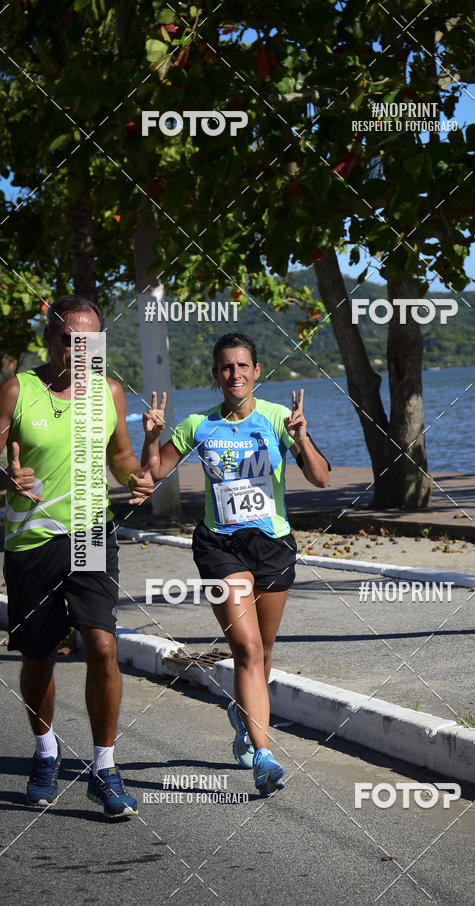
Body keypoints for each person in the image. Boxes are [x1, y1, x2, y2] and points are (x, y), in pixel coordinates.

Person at [141, 332, 330, 795]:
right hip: (219, 547)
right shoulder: (196, 425)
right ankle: (265, 757)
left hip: (272, 546)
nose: (235, 374)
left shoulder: (279, 419)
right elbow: (150, 476)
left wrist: (301, 439)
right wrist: (150, 439)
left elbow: (322, 478)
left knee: (261, 655)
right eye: (226, 367)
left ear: (256, 371)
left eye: (243, 366)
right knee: (245, 650)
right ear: (215, 375)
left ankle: (245, 715)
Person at [0, 296, 155, 818]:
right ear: (50, 340)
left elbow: (121, 457)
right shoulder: (17, 390)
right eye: (71, 340)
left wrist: (138, 477)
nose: (80, 350)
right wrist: (7, 479)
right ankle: (46, 752)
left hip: (91, 535)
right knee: (38, 656)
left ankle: (104, 768)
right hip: (31, 542)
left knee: (103, 645)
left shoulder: (109, 392)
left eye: (90, 341)